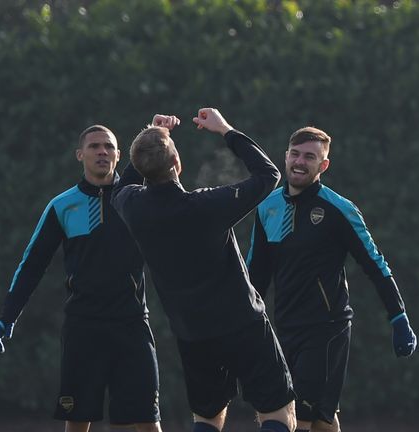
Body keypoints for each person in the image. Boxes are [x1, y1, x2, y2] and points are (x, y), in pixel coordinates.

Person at [111, 109, 296, 432]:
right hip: (243, 322)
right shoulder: (206, 206)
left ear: (141, 168)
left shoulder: (133, 206)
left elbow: (120, 187)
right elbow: (268, 175)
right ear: (178, 164)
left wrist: (153, 136)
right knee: (279, 412)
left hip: (192, 333)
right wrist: (225, 130)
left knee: (207, 418)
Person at [246, 126, 417, 432]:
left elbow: (374, 265)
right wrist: (240, 324)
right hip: (283, 328)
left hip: (326, 330)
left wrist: (398, 317)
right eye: (295, 154)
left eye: (309, 157)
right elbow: (254, 274)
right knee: (323, 420)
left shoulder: (339, 209)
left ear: (323, 165)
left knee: (296, 419)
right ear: (285, 157)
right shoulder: (266, 207)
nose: (300, 162)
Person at [0, 124, 161, 432]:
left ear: (119, 155)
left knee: (148, 421)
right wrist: (9, 314)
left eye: (109, 147)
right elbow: (32, 264)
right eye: (95, 146)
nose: (102, 152)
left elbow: (150, 156)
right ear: (80, 155)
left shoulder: (134, 196)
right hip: (84, 326)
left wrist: (156, 129)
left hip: (132, 324)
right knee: (78, 420)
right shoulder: (62, 205)